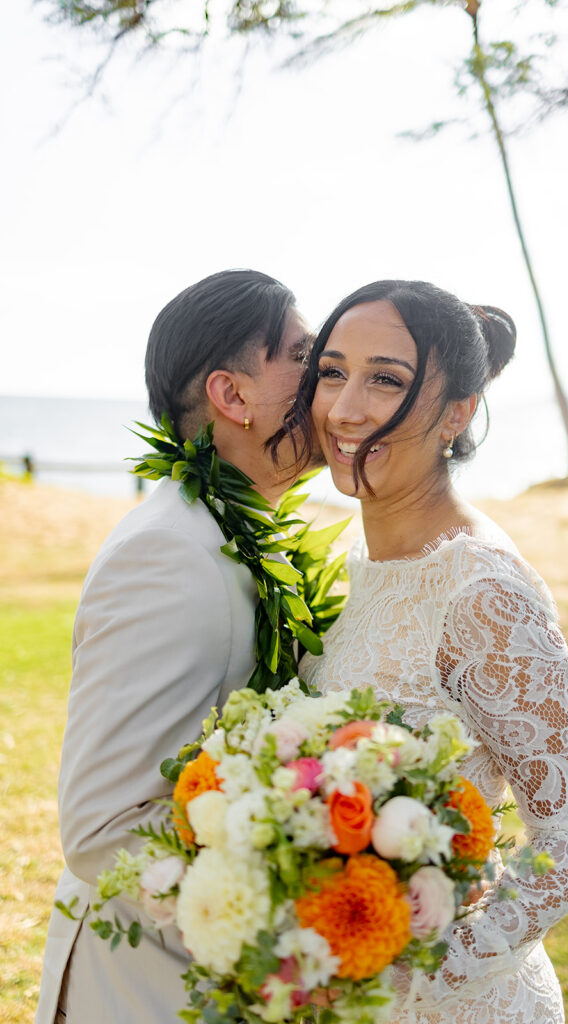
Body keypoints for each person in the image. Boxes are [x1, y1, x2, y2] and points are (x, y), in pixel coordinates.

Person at [276, 280, 568, 1023]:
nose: (345, 408)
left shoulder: (481, 593)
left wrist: (432, 974)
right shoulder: (353, 568)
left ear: (456, 413)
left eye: (386, 380)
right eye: (331, 372)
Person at [35, 269, 314, 1024]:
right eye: (302, 353)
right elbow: (99, 826)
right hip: (142, 991)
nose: (327, 377)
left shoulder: (229, 533)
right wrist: (281, 927)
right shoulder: (167, 553)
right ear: (233, 396)